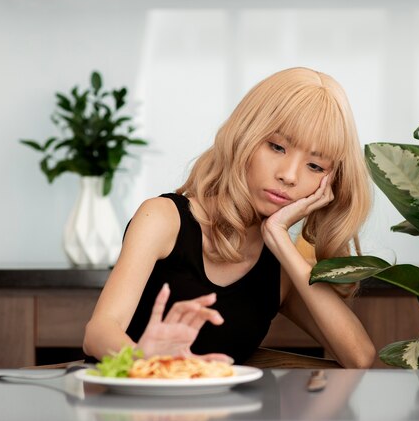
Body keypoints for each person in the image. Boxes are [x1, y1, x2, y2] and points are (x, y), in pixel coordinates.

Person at [82, 67, 375, 368]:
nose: (288, 175)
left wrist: (279, 237)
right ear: (245, 136)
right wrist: (152, 367)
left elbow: (359, 357)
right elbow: (99, 332)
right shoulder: (162, 218)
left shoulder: (280, 269)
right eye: (276, 147)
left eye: (315, 166)